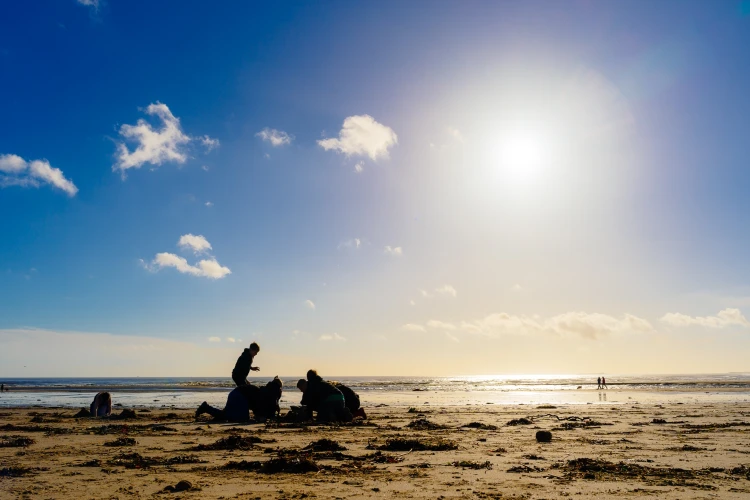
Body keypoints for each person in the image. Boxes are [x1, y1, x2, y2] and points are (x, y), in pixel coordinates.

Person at [196, 376, 282, 422]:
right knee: (241, 418)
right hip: (240, 396)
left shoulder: (265, 390)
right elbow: (263, 408)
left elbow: (259, 406)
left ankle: (207, 408)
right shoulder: (271, 394)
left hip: (235, 393)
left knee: (226, 415)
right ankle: (206, 408)